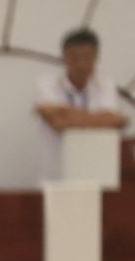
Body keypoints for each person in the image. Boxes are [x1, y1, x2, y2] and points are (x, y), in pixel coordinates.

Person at [35, 27, 129, 181]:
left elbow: (113, 123)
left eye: (87, 57)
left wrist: (66, 115)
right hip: (56, 175)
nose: (81, 64)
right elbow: (57, 124)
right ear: (64, 58)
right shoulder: (47, 85)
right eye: (74, 57)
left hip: (97, 173)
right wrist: (100, 119)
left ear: (96, 58)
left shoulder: (106, 85)